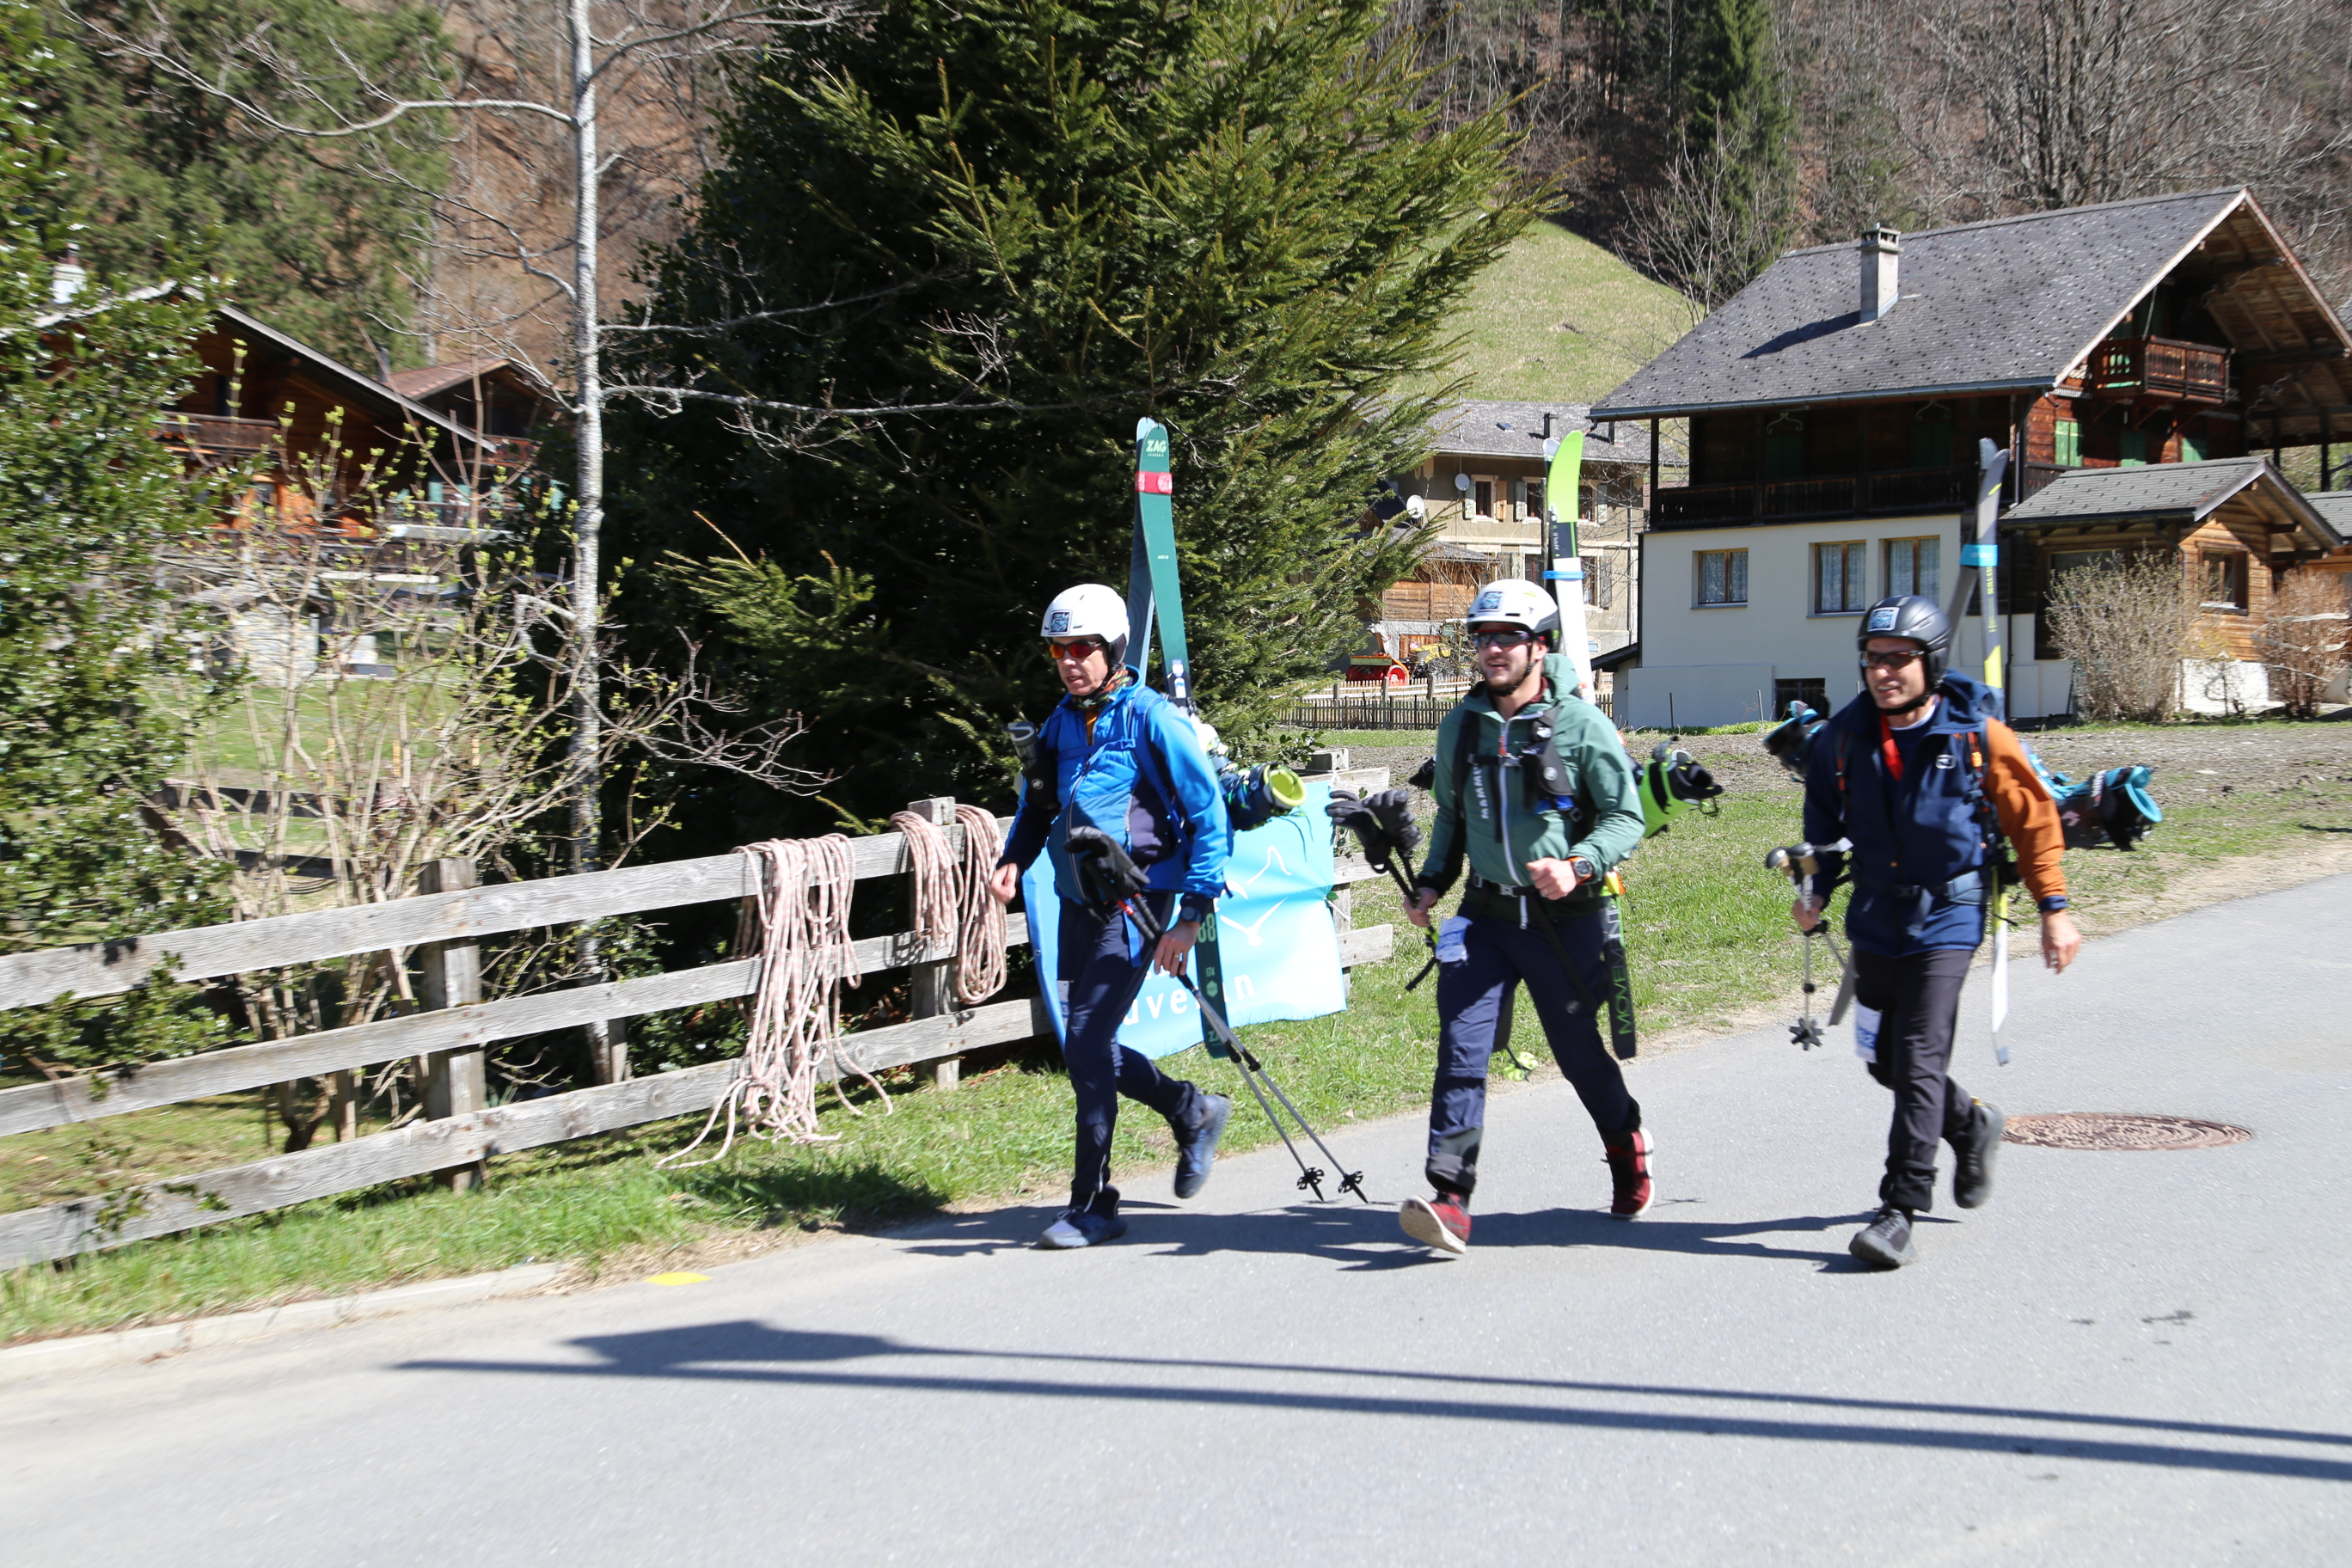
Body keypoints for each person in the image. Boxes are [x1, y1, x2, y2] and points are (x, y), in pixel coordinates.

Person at [1792, 594, 2081, 1270]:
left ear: (1932, 662)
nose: (1883, 672)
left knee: (1919, 1056)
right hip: (1875, 916)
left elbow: (2034, 821)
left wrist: (2054, 907)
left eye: (1899, 659)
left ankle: (1898, 1210)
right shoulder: (1841, 739)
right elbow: (1823, 829)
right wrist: (1813, 889)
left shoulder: (1977, 736)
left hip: (1950, 913)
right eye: (1873, 659)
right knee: (1885, 1062)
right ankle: (1971, 1122)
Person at [1398, 579, 1650, 1256]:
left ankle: (1625, 1143)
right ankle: (1450, 1199)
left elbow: (1626, 817)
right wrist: (1430, 884)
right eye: (1483, 638)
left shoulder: (1581, 725)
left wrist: (1580, 865)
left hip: (1566, 919)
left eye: (1508, 637)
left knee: (1577, 1055)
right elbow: (1451, 816)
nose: (1493, 650)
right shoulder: (1461, 726)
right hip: (1485, 915)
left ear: (1540, 646)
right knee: (1462, 1050)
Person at [989, 583, 1234, 1249]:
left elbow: (1210, 817)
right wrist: (1014, 859)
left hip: (1136, 901)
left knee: (1089, 1041)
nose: (1070, 662)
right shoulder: (1061, 722)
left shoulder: (1152, 719)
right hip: (1077, 900)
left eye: (1083, 648)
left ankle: (1092, 1204)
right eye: (1058, 651)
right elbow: (1039, 806)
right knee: (1084, 1044)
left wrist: (1191, 917)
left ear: (1115, 648)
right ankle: (1191, 1109)